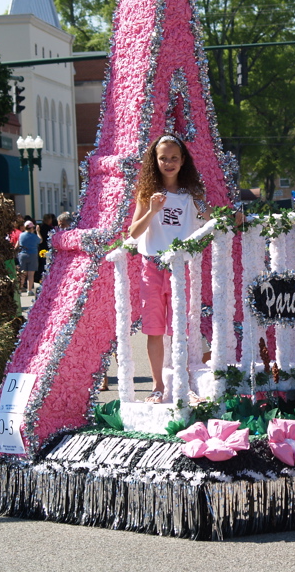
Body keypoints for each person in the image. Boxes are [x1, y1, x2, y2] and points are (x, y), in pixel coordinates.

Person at [129, 133, 211, 403]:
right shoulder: (146, 193)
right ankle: (158, 386)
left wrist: (209, 211)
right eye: (163, 158)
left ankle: (184, 384)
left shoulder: (192, 195)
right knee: (154, 329)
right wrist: (152, 210)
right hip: (151, 267)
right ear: (155, 160)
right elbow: (133, 231)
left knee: (180, 329)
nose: (169, 162)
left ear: (183, 160)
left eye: (174, 157)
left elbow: (209, 225)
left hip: (180, 268)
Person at [16, 221, 40, 296]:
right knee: (31, 274)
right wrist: (38, 232)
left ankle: (20, 289)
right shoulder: (34, 236)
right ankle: (29, 290)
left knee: (22, 273)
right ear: (32, 228)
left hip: (22, 255)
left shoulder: (21, 235)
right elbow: (40, 240)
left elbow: (17, 244)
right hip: (32, 255)